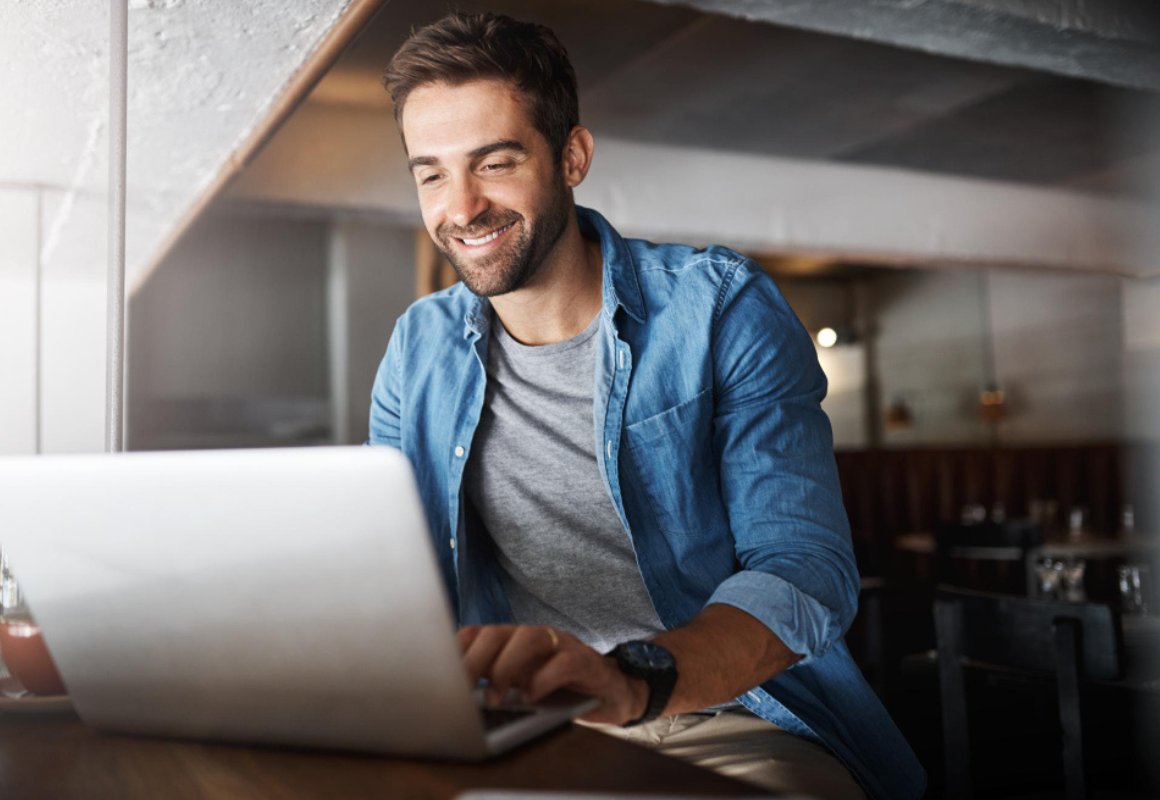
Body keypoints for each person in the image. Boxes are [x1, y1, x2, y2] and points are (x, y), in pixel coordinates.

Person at [371, 12, 925, 800]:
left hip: (730, 719)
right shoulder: (414, 350)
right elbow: (398, 579)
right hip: (517, 731)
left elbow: (804, 571)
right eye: (431, 173)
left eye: (494, 163)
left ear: (572, 157)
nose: (460, 208)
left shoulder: (721, 310)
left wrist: (633, 682)